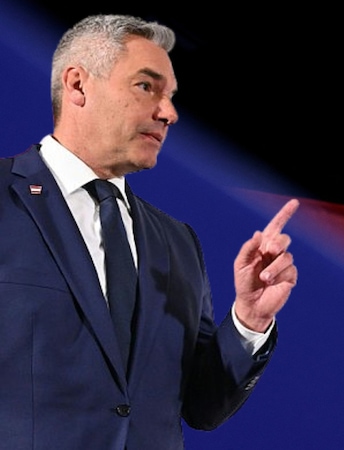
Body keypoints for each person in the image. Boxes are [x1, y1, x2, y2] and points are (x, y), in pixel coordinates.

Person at [0, 14, 299, 448]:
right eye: (147, 86)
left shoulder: (177, 242)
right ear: (78, 85)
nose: (169, 113)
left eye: (171, 96)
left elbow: (203, 406)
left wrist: (249, 320)